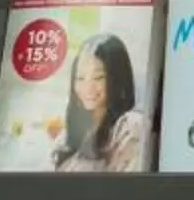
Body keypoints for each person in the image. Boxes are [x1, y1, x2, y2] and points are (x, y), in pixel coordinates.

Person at [53, 32, 150, 171]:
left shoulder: (130, 127)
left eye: (98, 77)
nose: (88, 87)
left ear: (117, 78)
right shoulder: (70, 133)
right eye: (80, 78)